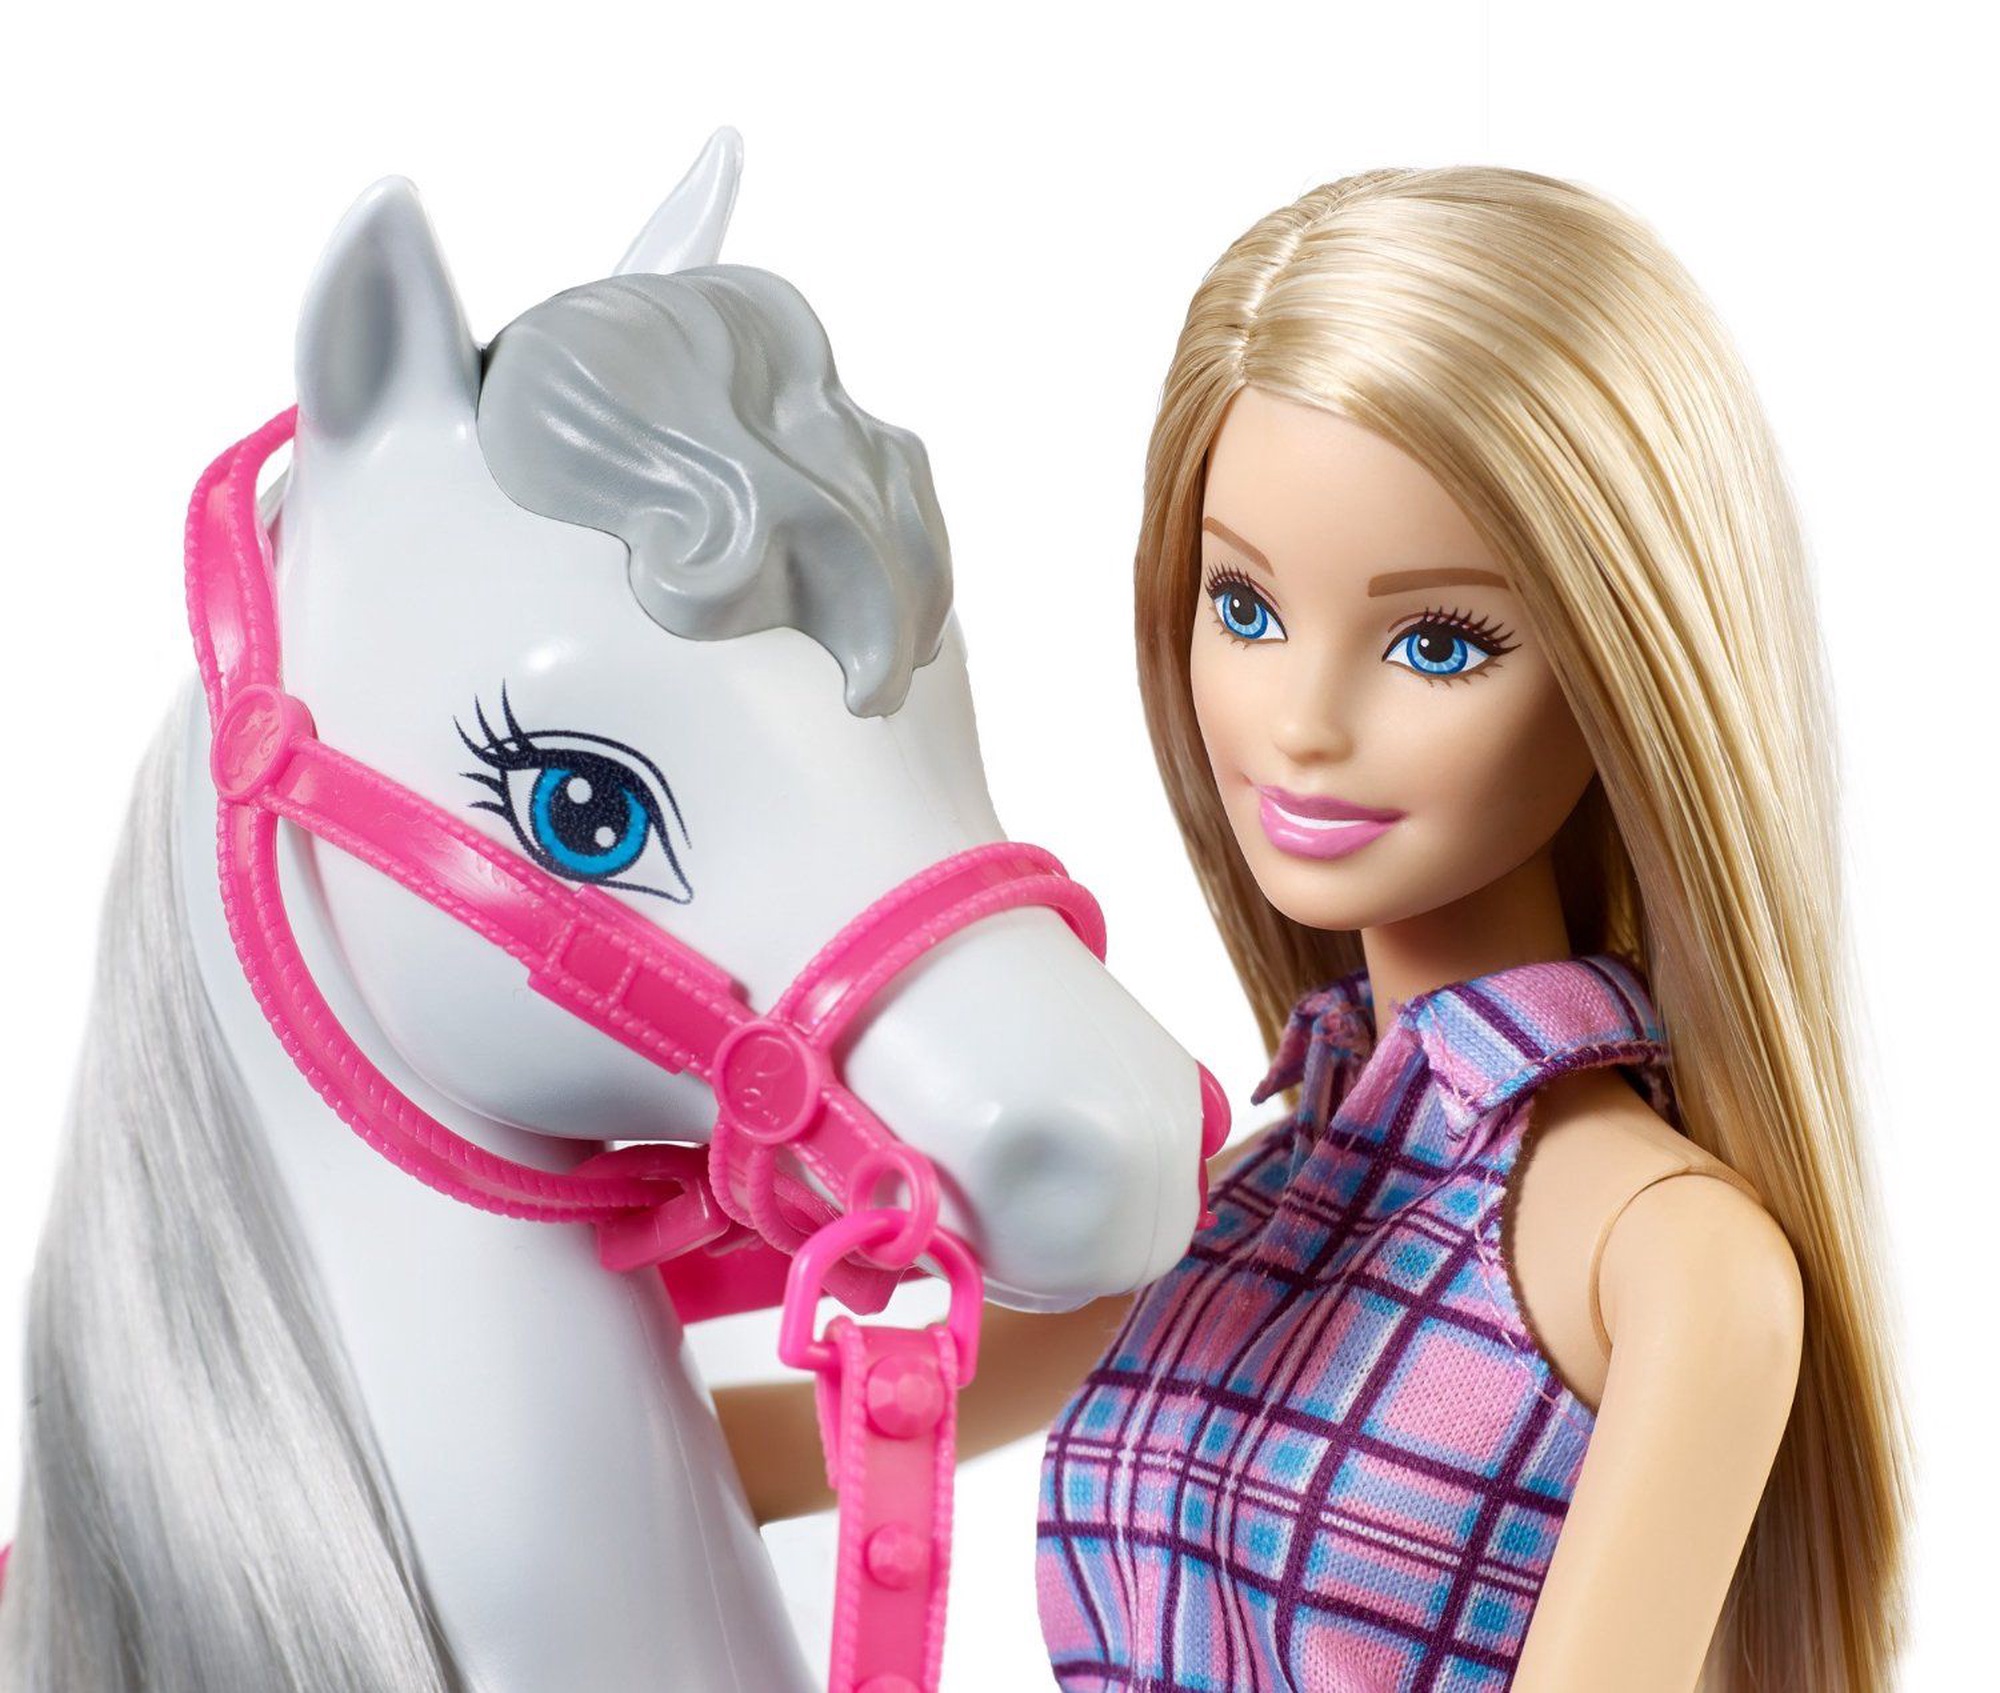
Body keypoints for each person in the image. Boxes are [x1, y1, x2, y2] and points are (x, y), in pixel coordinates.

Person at [717, 168, 1908, 1691]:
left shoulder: (1665, 1257)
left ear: (1628, 673)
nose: (1303, 723)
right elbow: (807, 1448)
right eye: (1247, 609)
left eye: (1438, 642)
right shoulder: (1238, 1199)